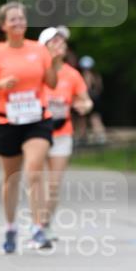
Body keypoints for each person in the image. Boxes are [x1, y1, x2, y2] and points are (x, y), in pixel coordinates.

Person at [0, 2, 62, 252]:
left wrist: (55, 63)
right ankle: (11, 226)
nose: (18, 23)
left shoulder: (39, 50)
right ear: (3, 26)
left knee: (34, 171)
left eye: (22, 19)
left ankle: (37, 227)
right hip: (7, 121)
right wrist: (1, 84)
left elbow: (52, 84)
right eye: (13, 19)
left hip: (37, 119)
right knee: (11, 179)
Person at [39, 26, 93, 241]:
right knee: (37, 181)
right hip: (37, 132)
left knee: (53, 183)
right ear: (44, 46)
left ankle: (44, 224)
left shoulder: (72, 74)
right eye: (54, 41)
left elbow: (85, 99)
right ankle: (36, 222)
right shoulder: (36, 71)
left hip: (62, 132)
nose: (59, 44)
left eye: (62, 41)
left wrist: (85, 106)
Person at [75, 55, 106, 144]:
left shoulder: (84, 75)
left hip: (87, 99)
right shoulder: (96, 76)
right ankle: (100, 137)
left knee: (83, 119)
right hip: (96, 99)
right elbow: (100, 88)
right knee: (95, 118)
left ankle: (82, 138)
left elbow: (85, 89)